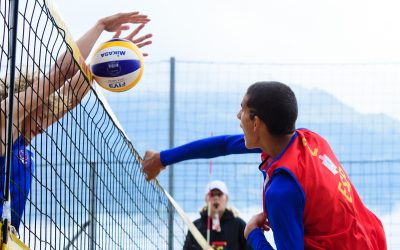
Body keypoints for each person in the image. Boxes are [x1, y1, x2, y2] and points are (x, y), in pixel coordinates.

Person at [142, 81, 387, 249]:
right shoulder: (307, 139)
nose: (238, 117)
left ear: (256, 122)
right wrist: (164, 158)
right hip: (372, 238)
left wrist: (253, 234)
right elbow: (224, 145)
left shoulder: (282, 191)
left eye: (242, 110)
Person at [0, 11, 152, 231]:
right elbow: (58, 75)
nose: (44, 125)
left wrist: (108, 58)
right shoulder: (6, 119)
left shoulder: (20, 139)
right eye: (40, 115)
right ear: (26, 104)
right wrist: (99, 25)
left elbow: (70, 96)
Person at [183, 180, 250, 250]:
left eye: (219, 194)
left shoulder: (239, 225)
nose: (215, 198)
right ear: (206, 199)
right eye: (211, 195)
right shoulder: (196, 226)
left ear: (226, 198)